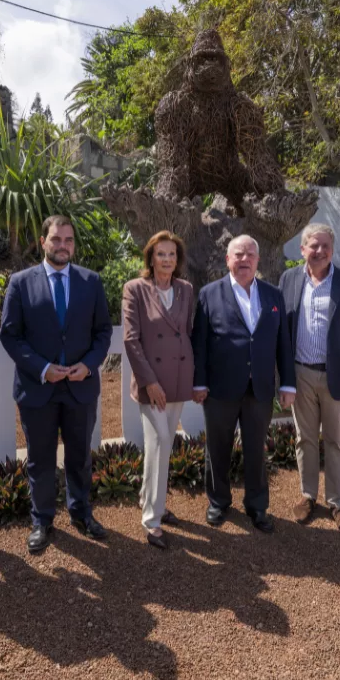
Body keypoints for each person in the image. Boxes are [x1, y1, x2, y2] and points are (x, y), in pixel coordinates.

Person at [0, 215, 114, 554]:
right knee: (40, 458)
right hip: (38, 388)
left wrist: (89, 366)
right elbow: (10, 335)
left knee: (79, 456)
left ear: (73, 245)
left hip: (80, 387)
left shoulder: (90, 281)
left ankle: (81, 513)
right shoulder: (21, 282)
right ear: (43, 241)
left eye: (68, 240)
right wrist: (43, 367)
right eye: (56, 239)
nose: (62, 245)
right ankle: (42, 520)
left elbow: (103, 332)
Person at [191, 235, 296, 533]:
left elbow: (283, 344)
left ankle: (257, 505)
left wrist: (287, 383)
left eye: (250, 254)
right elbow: (199, 343)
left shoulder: (273, 295)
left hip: (259, 389)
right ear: (228, 260)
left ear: (258, 260)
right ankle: (219, 501)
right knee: (218, 447)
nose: (244, 259)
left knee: (256, 450)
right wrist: (199, 382)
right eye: (238, 254)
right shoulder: (209, 294)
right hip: (220, 388)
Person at [280, 224, 340, 536]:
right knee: (304, 439)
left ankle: (337, 503)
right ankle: (308, 496)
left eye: (325, 246)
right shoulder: (289, 279)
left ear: (332, 250)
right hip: (300, 374)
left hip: (338, 377)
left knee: (336, 441)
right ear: (302, 249)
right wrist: (283, 378)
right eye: (313, 245)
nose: (319, 251)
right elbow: (282, 332)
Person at [121, 231, 196, 549]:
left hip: (179, 377)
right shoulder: (135, 289)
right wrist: (149, 382)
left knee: (164, 446)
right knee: (160, 441)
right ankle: (152, 519)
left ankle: (154, 502)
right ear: (150, 257)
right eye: (161, 254)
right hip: (152, 381)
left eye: (172, 254)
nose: (167, 259)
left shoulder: (186, 289)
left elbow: (187, 332)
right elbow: (131, 339)